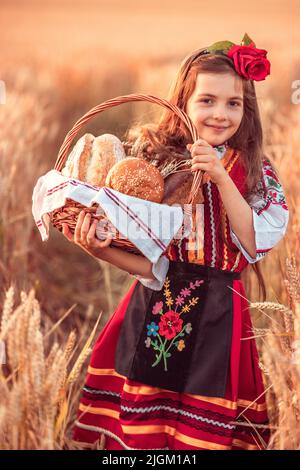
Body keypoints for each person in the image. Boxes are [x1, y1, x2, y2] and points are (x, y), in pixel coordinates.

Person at [62, 33, 289, 450]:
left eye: (233, 103)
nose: (220, 114)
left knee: (203, 439)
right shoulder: (159, 165)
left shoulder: (255, 171)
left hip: (221, 324)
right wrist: (101, 249)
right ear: (183, 101)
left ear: (246, 108)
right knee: (145, 439)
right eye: (207, 100)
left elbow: (255, 241)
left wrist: (221, 177)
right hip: (155, 312)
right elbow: (156, 268)